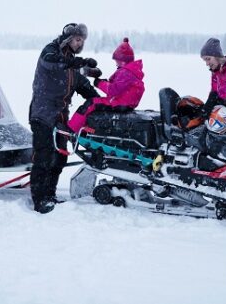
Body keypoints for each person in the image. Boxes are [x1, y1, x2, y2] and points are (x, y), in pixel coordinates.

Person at [29, 23, 100, 214]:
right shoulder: (51, 51)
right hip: (42, 114)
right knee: (43, 157)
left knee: (59, 158)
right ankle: (39, 199)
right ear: (69, 39)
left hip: (61, 117)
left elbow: (82, 84)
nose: (79, 44)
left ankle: (50, 194)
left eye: (82, 41)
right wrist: (76, 62)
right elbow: (52, 61)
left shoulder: (71, 63)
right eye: (77, 39)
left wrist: (100, 100)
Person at [68, 37, 145, 133]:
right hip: (126, 103)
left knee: (90, 103)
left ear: (123, 61)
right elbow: (120, 87)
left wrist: (99, 83)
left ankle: (70, 130)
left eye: (117, 60)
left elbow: (113, 90)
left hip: (120, 103)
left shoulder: (126, 72)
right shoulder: (132, 71)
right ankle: (84, 130)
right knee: (97, 106)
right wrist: (106, 82)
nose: (116, 63)